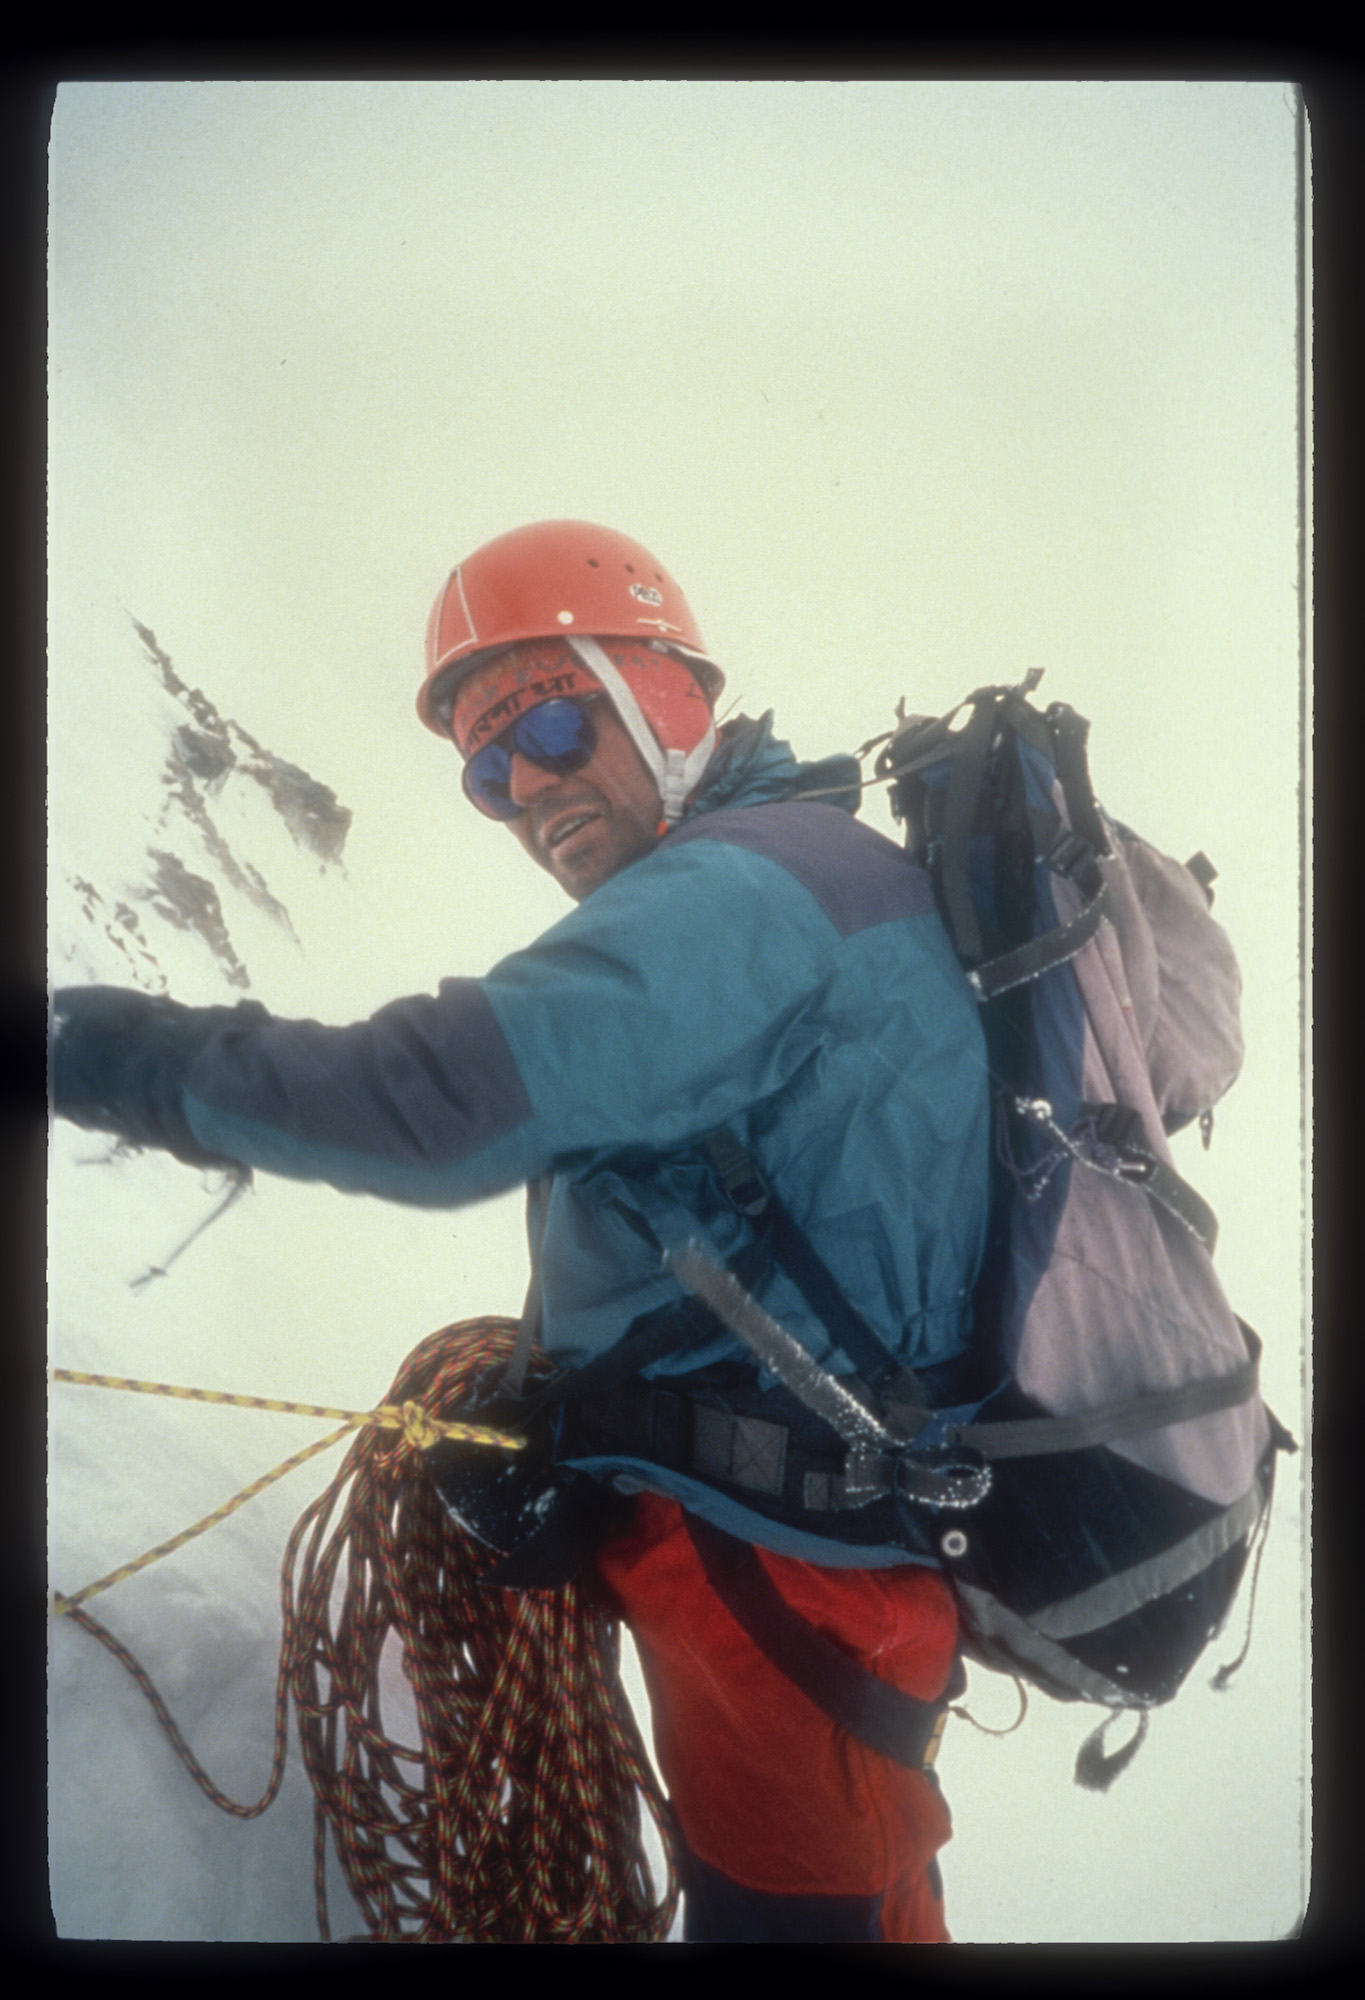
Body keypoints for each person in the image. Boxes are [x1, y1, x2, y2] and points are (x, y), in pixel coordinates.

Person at [51, 520, 991, 1944]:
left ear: (668, 694)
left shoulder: (747, 887)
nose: (528, 784)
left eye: (553, 720)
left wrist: (87, 1053)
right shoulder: (781, 884)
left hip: (789, 1582)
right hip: (784, 1570)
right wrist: (585, 1421)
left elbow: (431, 1104)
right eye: (490, 768)